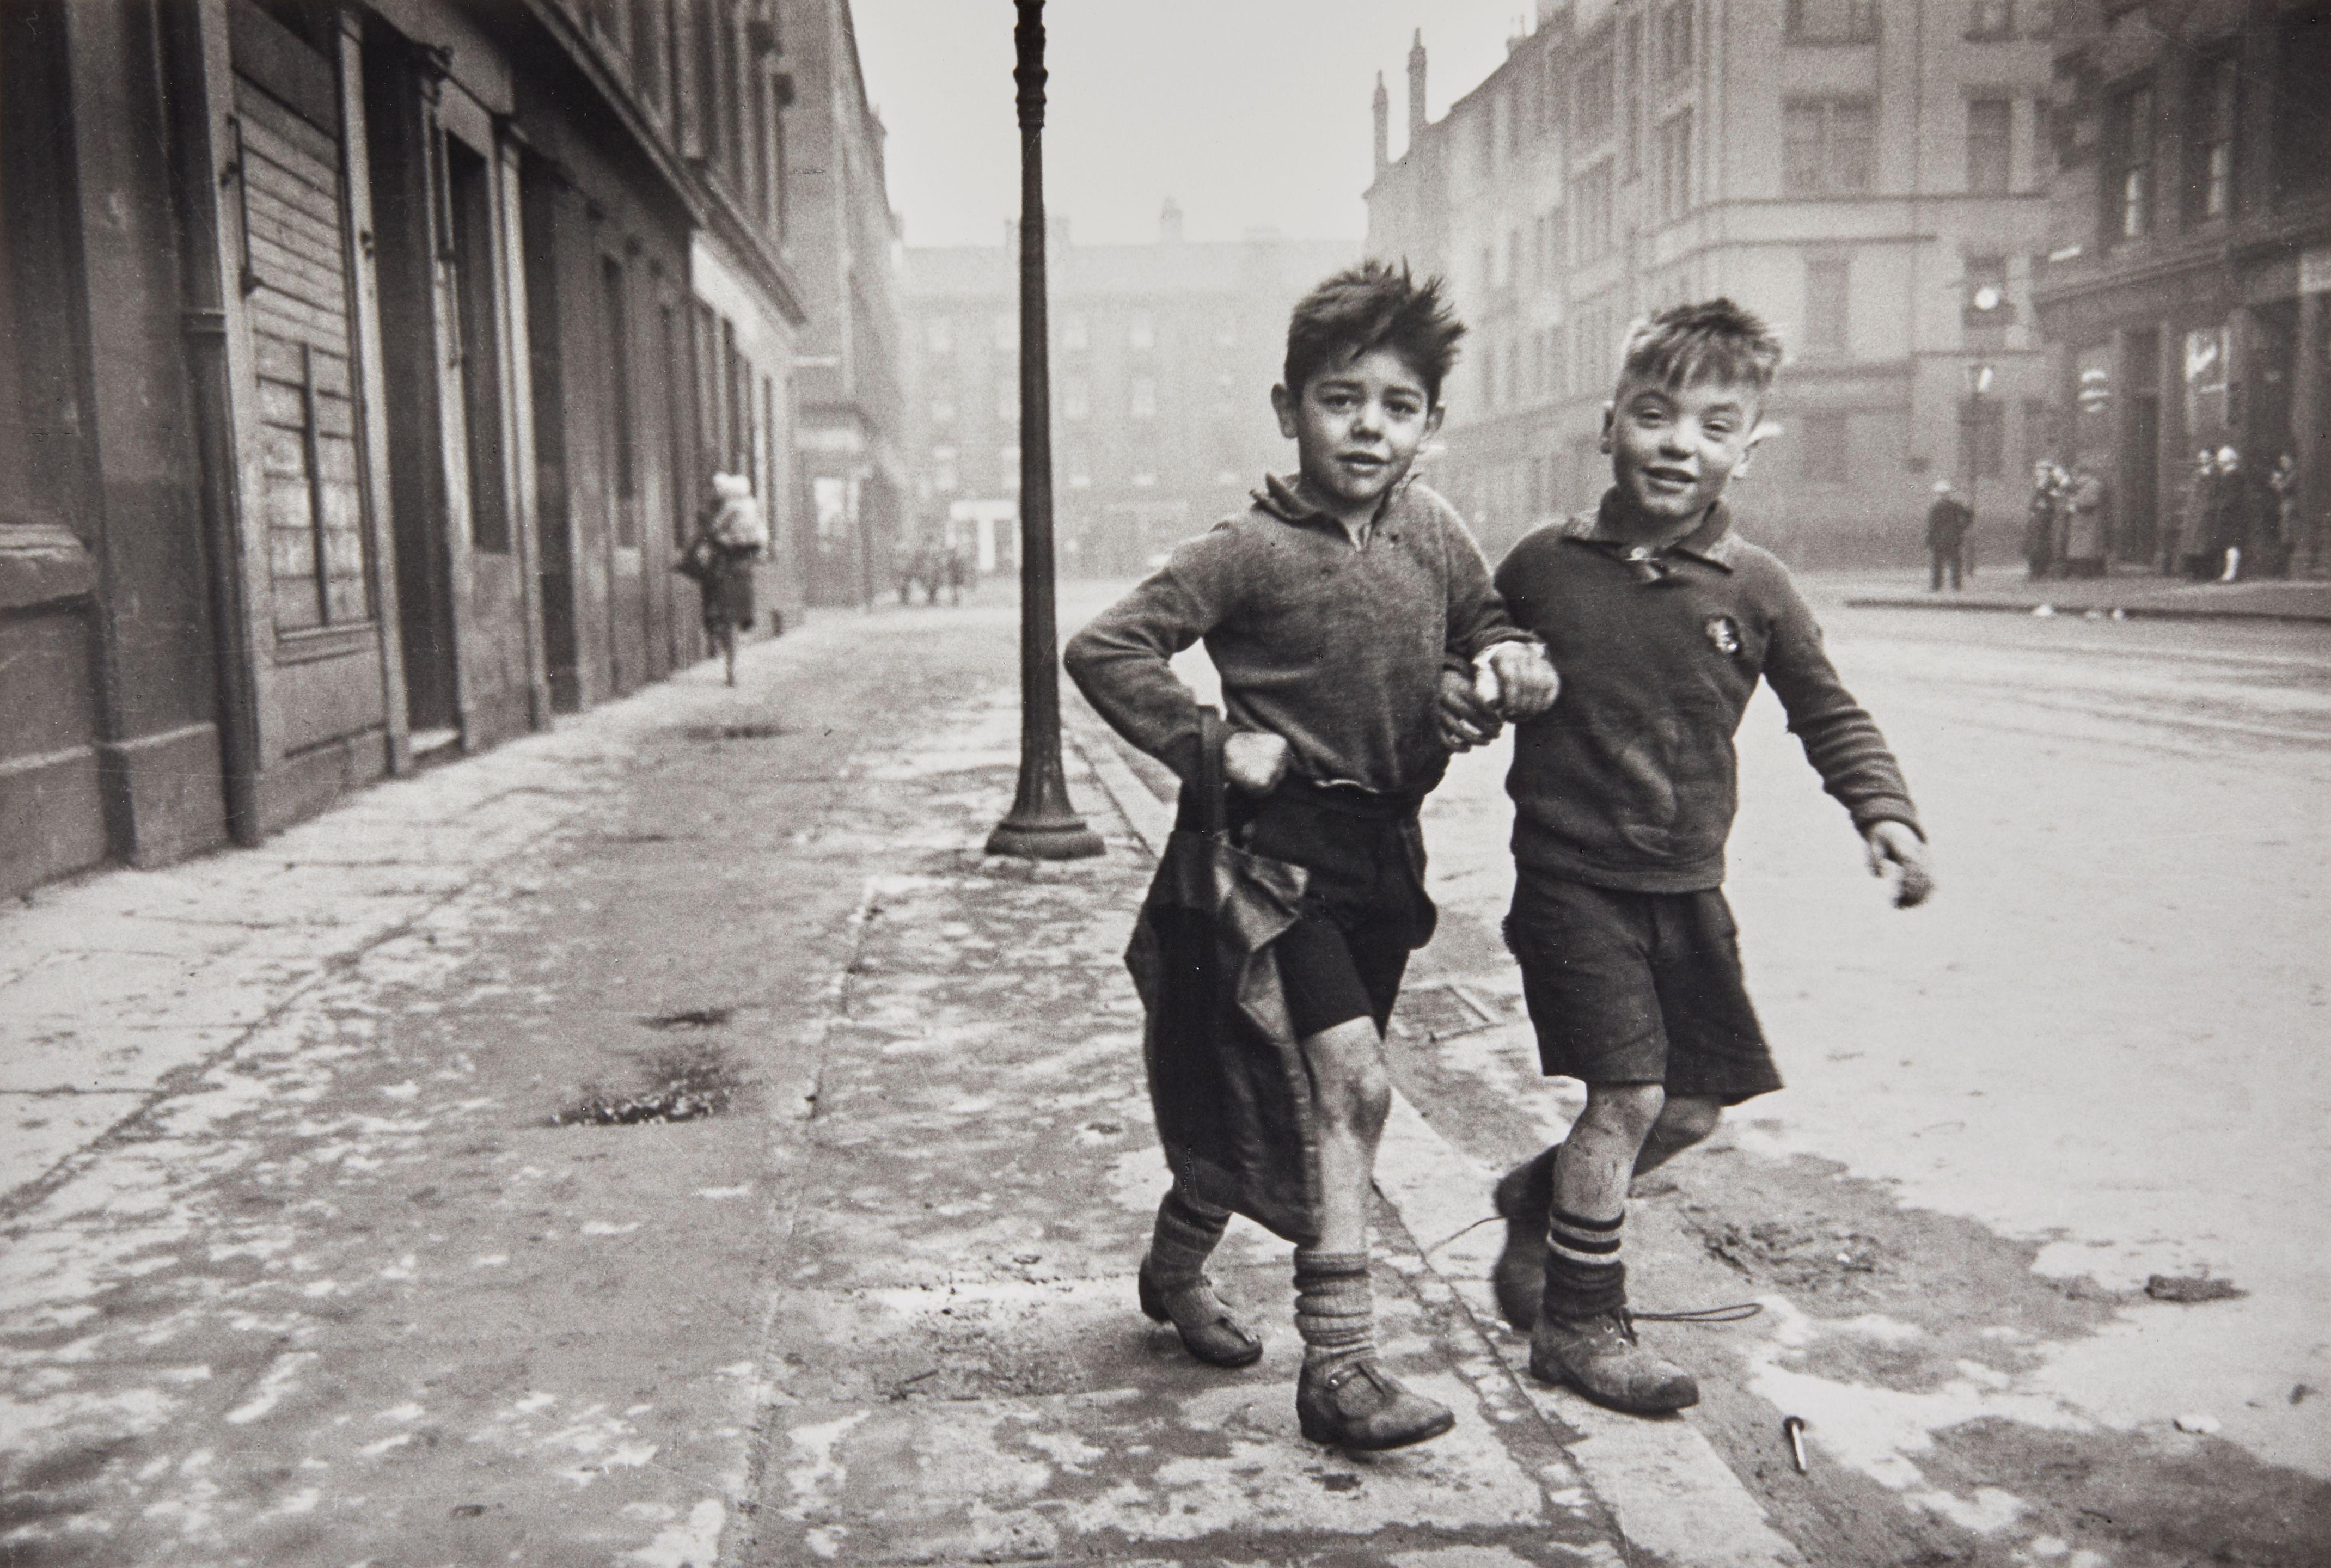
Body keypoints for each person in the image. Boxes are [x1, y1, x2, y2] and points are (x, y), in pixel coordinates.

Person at [1066, 260, 1560, 1451]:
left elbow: (1485, 629)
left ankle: (1173, 1268)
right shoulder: (1242, 549)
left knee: (1278, 1094)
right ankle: (1339, 1367)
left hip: (1378, 861)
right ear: (1287, 408)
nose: (1368, 427)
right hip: (1264, 864)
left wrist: (1501, 672)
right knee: (1350, 1088)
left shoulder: (1432, 530)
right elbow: (1103, 650)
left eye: (1396, 406)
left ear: (1430, 427)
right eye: (1340, 400)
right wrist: (1211, 740)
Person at [1482, 299, 1935, 1417]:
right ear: (1607, 425)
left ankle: (1538, 1202)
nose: (1679, 442)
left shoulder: (1755, 587)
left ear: (1746, 445)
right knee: (1628, 1096)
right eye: (1654, 414)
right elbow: (1465, 665)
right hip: (1572, 882)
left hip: (1686, 890)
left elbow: (1828, 715)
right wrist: (1493, 675)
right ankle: (1581, 1327)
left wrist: (1884, 813)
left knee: (1690, 1111)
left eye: (1713, 425)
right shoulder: (1542, 567)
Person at [693, 472, 766, 687]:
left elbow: (714, 531)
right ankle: (732, 664)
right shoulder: (752, 507)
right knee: (734, 618)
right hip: (744, 570)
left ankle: (730, 664)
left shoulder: (730, 508)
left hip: (726, 569)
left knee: (723, 616)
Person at [2165, 450, 2212, 577]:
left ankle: (2205, 571)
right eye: (2201, 458)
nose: (2203, 460)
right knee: (2192, 541)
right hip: (2195, 511)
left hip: (2206, 510)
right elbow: (2193, 492)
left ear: (2211, 459)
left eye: (2206, 458)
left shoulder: (2213, 474)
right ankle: (2194, 570)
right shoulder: (2197, 474)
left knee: (2203, 542)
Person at [2062, 463, 2109, 579]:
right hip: (2081, 520)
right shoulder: (2085, 484)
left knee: (2085, 548)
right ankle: (2085, 572)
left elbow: (2090, 502)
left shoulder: (2091, 485)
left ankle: (2086, 573)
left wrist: (2075, 506)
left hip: (2086, 520)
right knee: (2083, 547)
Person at [2211, 445, 2249, 583]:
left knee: (2232, 543)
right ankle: (2228, 572)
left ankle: (2231, 574)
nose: (2220, 464)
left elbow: (2231, 498)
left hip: (2232, 515)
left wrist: (2221, 506)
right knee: (2228, 543)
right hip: (2228, 514)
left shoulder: (2234, 476)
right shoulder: (2228, 476)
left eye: (2221, 461)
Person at [1925, 480, 1972, 591]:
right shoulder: (1956, 506)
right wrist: (1962, 529)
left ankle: (1936, 586)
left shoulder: (1935, 508)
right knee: (1955, 563)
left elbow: (1932, 526)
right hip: (1954, 539)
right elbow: (1969, 515)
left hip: (1939, 540)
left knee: (1938, 564)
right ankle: (1956, 586)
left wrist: (1929, 540)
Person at [2266, 453, 2299, 579]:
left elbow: (2284, 488)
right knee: (2284, 536)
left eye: (2286, 461)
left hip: (2290, 508)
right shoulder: (2287, 475)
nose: (2284, 464)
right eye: (2282, 462)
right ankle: (2284, 571)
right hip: (2284, 507)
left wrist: (2277, 482)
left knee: (2288, 537)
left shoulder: (2294, 475)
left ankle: (2288, 571)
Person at [2024, 460, 2058, 579]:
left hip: (2044, 516)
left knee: (2041, 543)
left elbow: (2053, 499)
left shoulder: (2051, 484)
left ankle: (2040, 570)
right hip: (2037, 516)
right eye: (2038, 469)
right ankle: (2035, 569)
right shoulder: (2039, 484)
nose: (2038, 472)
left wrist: (2045, 504)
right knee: (2034, 542)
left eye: (2041, 470)